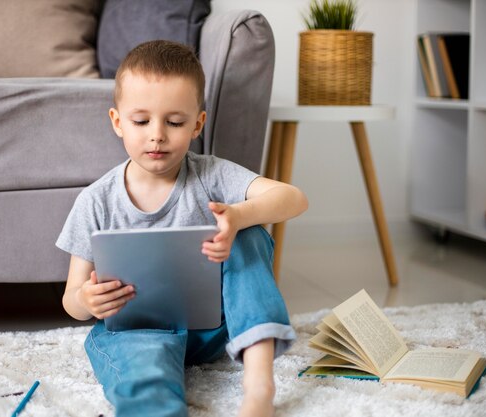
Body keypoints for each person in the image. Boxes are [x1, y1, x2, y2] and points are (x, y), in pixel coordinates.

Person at [56, 40, 308, 417]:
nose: (157, 134)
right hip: (139, 332)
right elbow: (71, 299)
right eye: (141, 121)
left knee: (249, 232)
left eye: (174, 122)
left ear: (196, 124)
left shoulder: (211, 174)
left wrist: (237, 216)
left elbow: (293, 198)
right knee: (142, 372)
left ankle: (259, 387)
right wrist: (86, 300)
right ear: (117, 121)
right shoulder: (96, 201)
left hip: (217, 330)